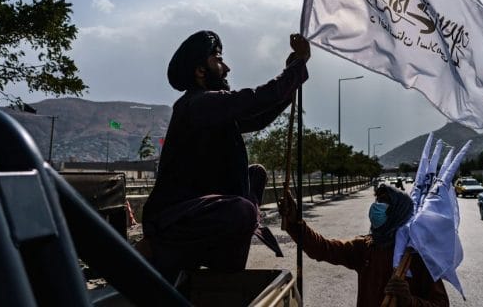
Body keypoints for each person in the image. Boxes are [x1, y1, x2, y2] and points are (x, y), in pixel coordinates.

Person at [141, 30, 310, 281]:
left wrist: (292, 79)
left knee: (256, 175)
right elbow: (255, 99)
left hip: (197, 210)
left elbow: (259, 115)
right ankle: (159, 248)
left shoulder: (212, 109)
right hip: (172, 221)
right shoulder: (199, 104)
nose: (227, 67)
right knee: (242, 211)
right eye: (218, 59)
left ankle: (224, 257)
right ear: (200, 71)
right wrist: (297, 67)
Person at [279, 184, 449, 307]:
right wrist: (296, 223)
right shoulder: (365, 247)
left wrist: (409, 301)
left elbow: (441, 303)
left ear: (397, 211)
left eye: (384, 202)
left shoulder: (415, 253)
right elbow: (323, 249)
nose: (376, 207)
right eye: (377, 200)